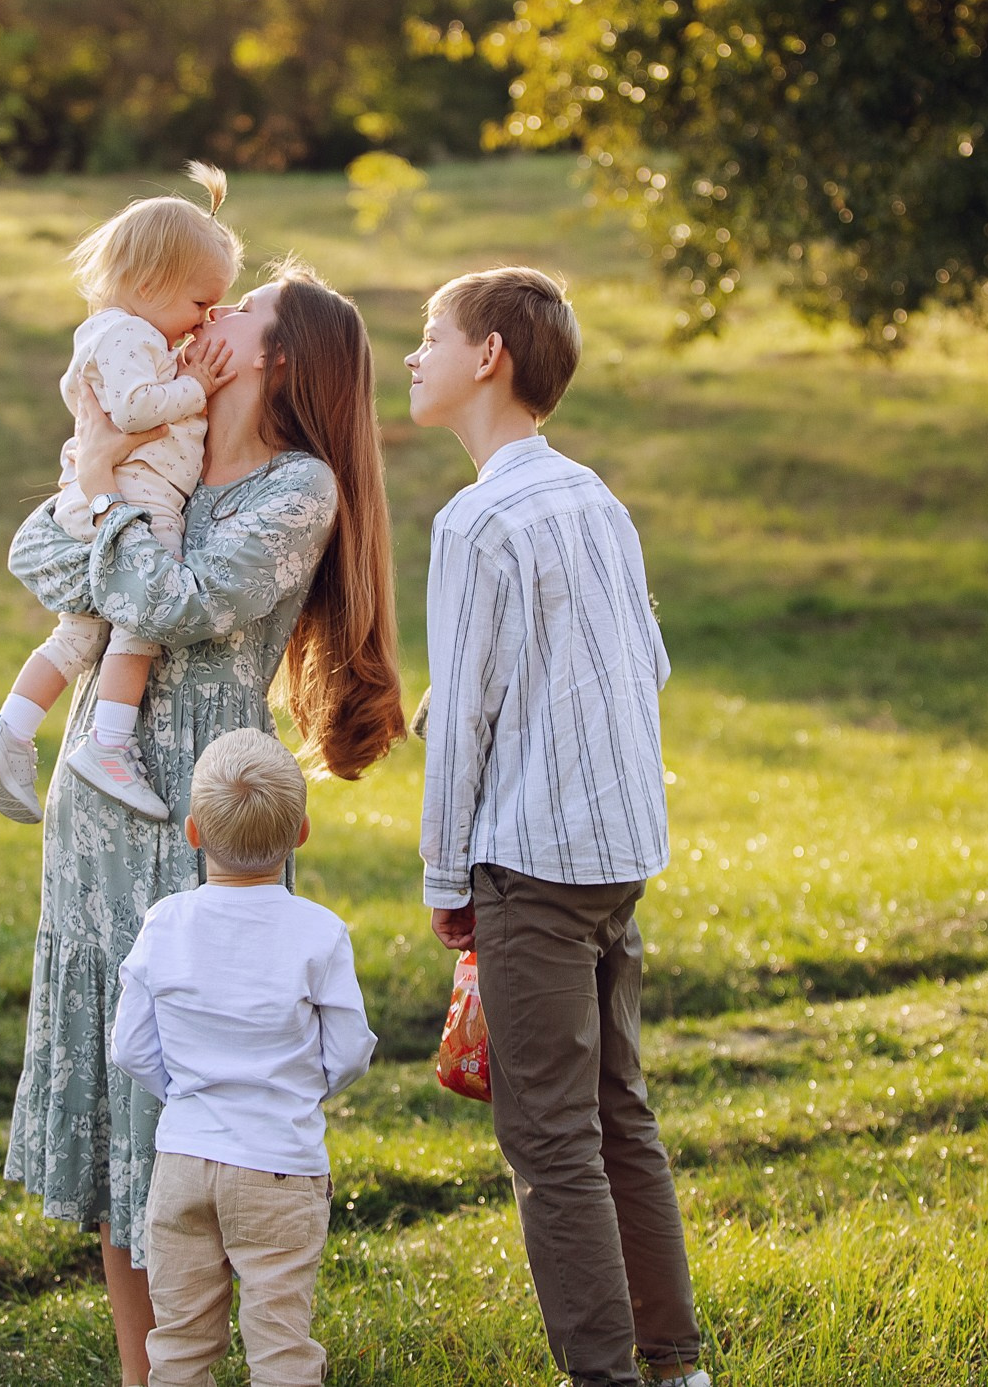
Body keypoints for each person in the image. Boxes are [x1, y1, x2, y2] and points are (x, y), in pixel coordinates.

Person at [3, 261, 406, 1387]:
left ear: (276, 358)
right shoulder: (159, 453)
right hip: (96, 793)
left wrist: (101, 480)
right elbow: (32, 554)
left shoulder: (298, 489)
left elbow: (178, 605)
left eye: (239, 311)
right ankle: (152, 1372)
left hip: (205, 796)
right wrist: (106, 482)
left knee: (187, 1086)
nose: (205, 317)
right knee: (117, 1081)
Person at [408, 267, 708, 1387]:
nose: (413, 356)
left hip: (529, 862)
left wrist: (448, 877)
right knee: (619, 1112)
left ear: (489, 355)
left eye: (429, 336)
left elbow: (470, 725)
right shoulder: (594, 495)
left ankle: (604, 1374)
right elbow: (648, 660)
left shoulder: (474, 517)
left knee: (549, 1137)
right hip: (620, 851)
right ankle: (674, 1363)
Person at [0, 164, 242, 823]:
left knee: (80, 633)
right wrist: (196, 388)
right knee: (140, 617)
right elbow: (133, 410)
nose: (204, 320)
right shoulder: (127, 335)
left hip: (117, 490)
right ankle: (109, 743)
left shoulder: (133, 333)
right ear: (147, 286)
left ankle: (10, 731)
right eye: (200, 304)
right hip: (136, 501)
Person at [110, 727, 376, 1387]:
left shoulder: (164, 922)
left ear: (194, 832)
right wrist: (297, 1084)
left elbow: (131, 1045)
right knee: (281, 1345)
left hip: (182, 1166)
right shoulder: (320, 931)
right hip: (279, 1170)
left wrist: (186, 1091)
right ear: (302, 833)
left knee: (177, 1345)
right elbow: (349, 1049)